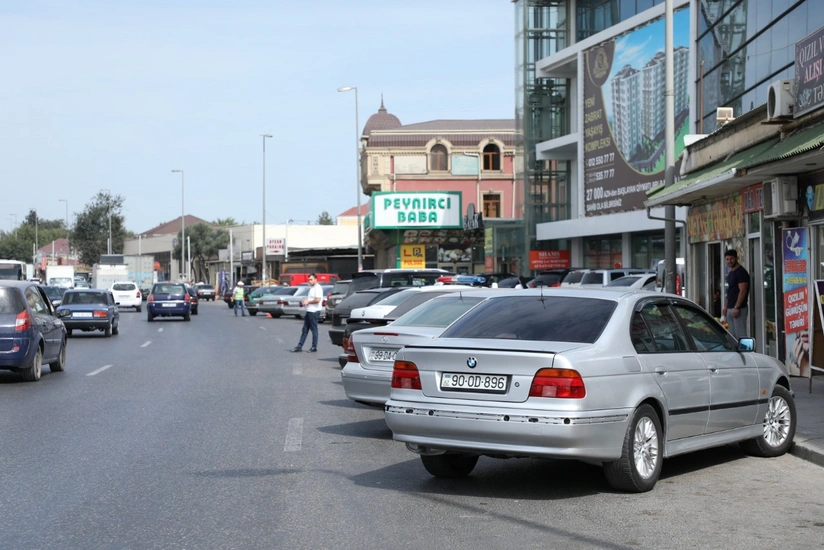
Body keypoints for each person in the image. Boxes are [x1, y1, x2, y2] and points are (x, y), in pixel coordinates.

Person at [291, 273, 323, 352]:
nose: (309, 281)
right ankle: (299, 346)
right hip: (309, 311)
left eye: (311, 279)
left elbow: (317, 300)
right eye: (309, 279)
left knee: (314, 330)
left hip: (314, 312)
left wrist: (308, 302)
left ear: (316, 279)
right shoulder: (312, 288)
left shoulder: (318, 288)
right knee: (305, 330)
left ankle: (314, 347)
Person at [721, 249, 750, 339]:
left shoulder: (741, 272)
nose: (729, 261)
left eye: (732, 259)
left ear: (737, 258)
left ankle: (745, 352)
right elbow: (730, 291)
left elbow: (743, 291)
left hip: (739, 309)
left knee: (740, 336)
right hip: (730, 308)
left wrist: (737, 307)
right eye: (727, 259)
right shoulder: (731, 273)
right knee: (733, 337)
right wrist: (725, 306)